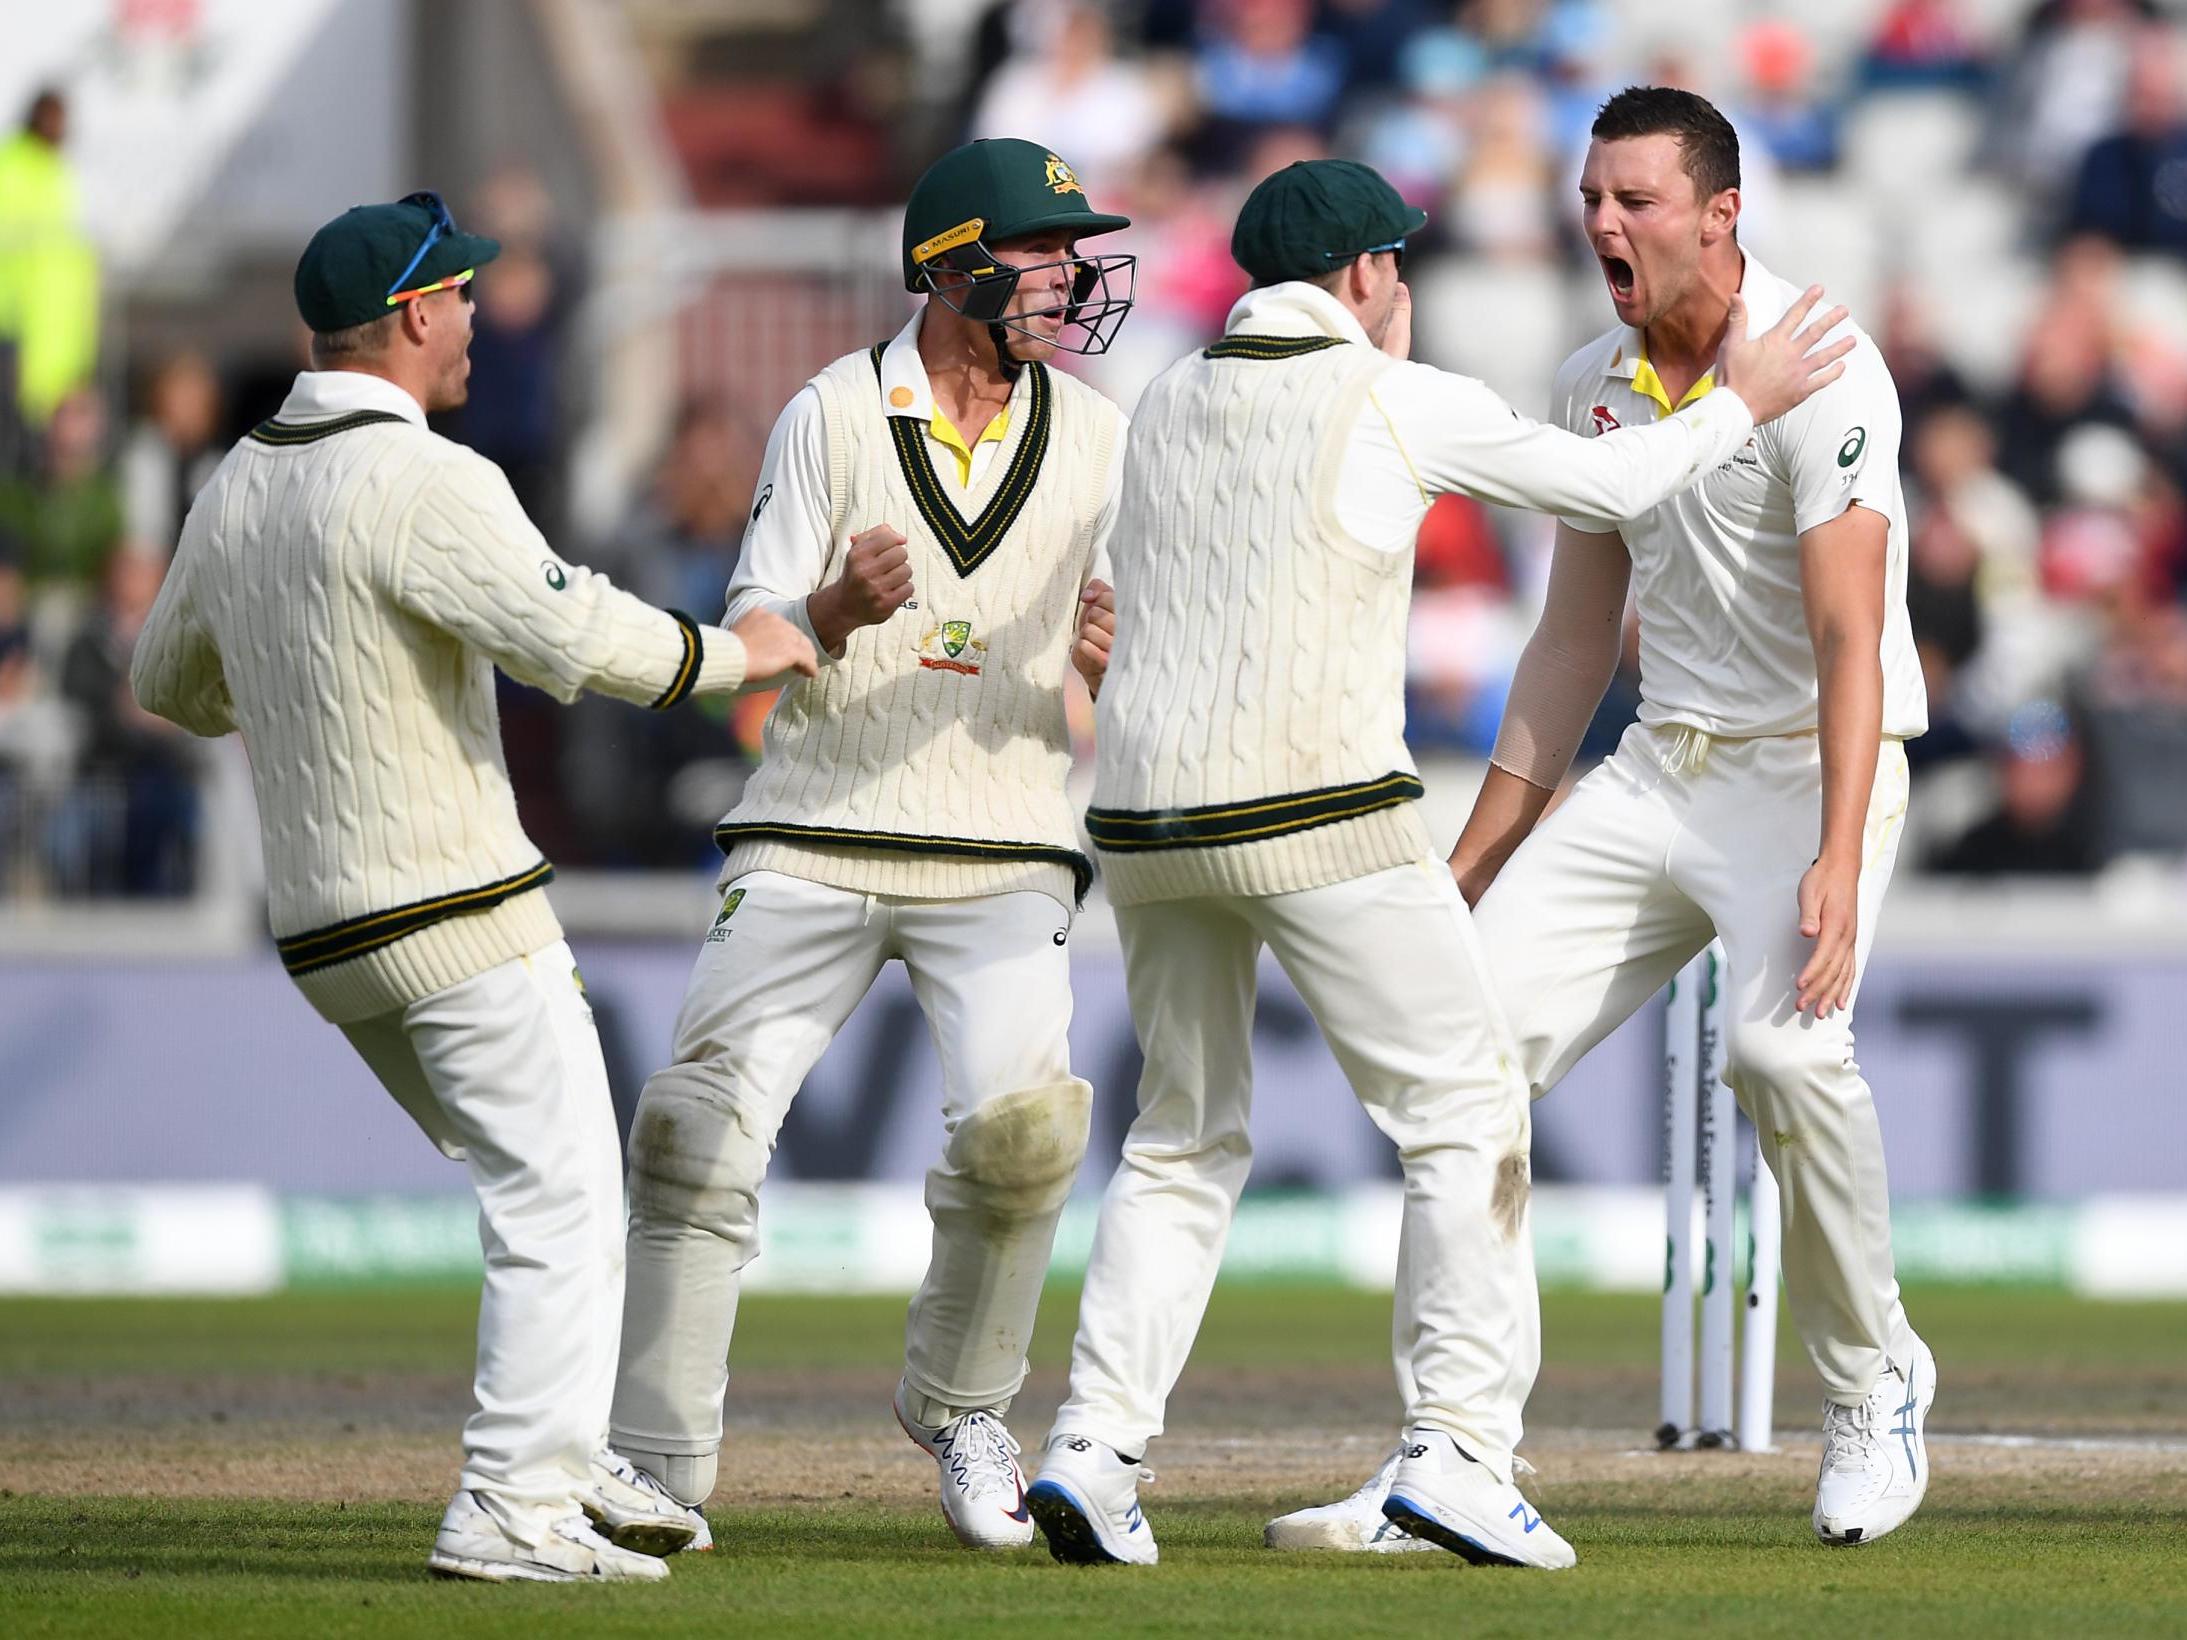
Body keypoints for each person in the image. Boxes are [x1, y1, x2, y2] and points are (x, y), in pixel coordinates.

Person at [1023, 155, 1850, 1570]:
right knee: (1467, 1114)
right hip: (1318, 811)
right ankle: (1461, 1452)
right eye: (1393, 265)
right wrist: (1743, 403)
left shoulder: (1163, 397)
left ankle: (1094, 1450)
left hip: (1151, 823)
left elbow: (1133, 600)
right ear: (1361, 281)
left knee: (1179, 1138)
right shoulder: (1394, 394)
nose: (1402, 287)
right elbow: (1607, 479)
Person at [1278, 86, 1938, 1556]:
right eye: (1590, 199)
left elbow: (1850, 639)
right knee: (1464, 1061)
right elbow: (1573, 649)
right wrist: (1465, 871)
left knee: (1780, 1051)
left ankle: (1876, 1376)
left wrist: (1834, 850)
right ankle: (1449, 1455)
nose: (1602, 225)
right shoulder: (1591, 375)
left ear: (1721, 213)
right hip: (1658, 772)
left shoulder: (1824, 366)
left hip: (1814, 766)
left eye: (1636, 200)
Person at [129, 191, 816, 1583]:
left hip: (325, 930)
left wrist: (299, 687)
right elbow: (577, 643)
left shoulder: (240, 482)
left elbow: (166, 682)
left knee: (534, 1179)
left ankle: (562, 1453)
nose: (474, 322)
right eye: (456, 300)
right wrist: (743, 653)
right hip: (451, 906)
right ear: (403, 321)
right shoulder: (425, 478)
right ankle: (512, 1499)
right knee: (562, 1197)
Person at [606, 138, 1134, 1554]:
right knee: (697, 1133)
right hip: (819, 823)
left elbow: (1133, 655)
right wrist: (836, 609)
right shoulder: (831, 414)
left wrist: (1111, 654)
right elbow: (758, 636)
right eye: (1038, 252)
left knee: (1026, 1138)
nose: (1070, 275)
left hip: (1008, 834)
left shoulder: (1096, 433)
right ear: (953, 263)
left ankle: (964, 1406)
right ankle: (653, 1464)